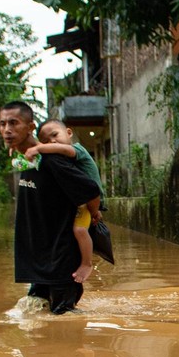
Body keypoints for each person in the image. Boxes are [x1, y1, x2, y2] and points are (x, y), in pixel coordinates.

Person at [0, 101, 101, 314]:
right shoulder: (28, 160)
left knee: (65, 324)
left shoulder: (52, 160)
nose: (7, 130)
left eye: (13, 123)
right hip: (40, 263)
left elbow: (90, 189)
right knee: (38, 325)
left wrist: (93, 213)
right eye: (2, 124)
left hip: (62, 264)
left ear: (30, 127)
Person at [24, 119, 106, 284]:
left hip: (90, 198)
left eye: (55, 135)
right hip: (81, 201)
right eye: (47, 140)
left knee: (79, 231)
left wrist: (39, 147)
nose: (52, 141)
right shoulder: (62, 160)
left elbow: (61, 149)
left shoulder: (76, 150)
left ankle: (87, 263)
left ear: (69, 133)